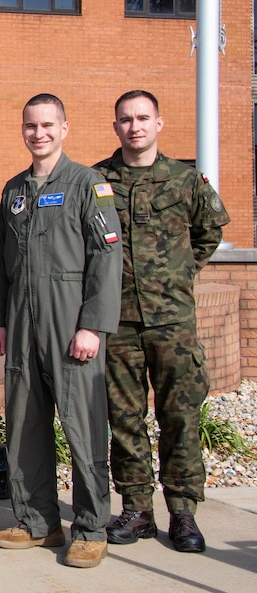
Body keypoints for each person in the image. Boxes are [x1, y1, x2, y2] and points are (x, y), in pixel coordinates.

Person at [0, 94, 123, 569]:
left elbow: (106, 262)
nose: (38, 133)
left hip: (71, 324)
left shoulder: (89, 184)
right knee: (23, 425)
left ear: (65, 128)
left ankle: (90, 527)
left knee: (83, 428)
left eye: (48, 125)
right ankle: (37, 522)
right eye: (31, 125)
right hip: (23, 323)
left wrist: (92, 326)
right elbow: (4, 266)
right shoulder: (14, 190)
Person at [95, 90, 229, 553]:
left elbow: (210, 230)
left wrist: (181, 272)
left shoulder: (185, 180)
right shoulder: (96, 180)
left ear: (159, 123)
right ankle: (136, 509)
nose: (134, 126)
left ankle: (184, 511)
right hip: (118, 323)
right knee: (125, 418)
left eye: (143, 118)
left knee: (179, 416)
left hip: (172, 322)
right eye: (126, 119)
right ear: (116, 126)